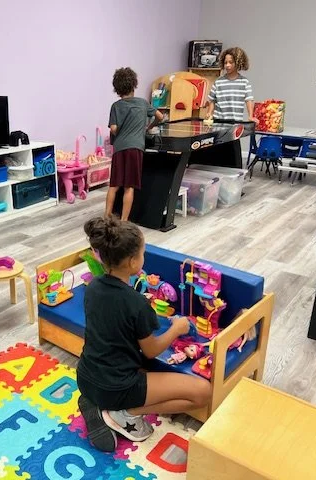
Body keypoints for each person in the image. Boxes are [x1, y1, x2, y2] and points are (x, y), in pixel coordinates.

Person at [76, 216, 212, 452]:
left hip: (86, 377)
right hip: (116, 387)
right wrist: (177, 328)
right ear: (132, 262)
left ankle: (101, 404)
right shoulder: (136, 303)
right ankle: (124, 413)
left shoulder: (93, 287)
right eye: (142, 254)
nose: (144, 258)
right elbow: (151, 351)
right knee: (203, 393)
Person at [106, 67, 164, 222]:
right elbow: (160, 116)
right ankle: (124, 221)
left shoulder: (116, 106)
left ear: (117, 89)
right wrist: (149, 127)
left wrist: (120, 130)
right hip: (136, 148)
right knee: (129, 186)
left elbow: (113, 128)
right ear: (134, 85)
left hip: (119, 149)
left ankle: (106, 216)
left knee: (114, 185)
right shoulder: (143, 103)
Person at [205, 47, 256, 123]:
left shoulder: (244, 82)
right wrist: (209, 113)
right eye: (225, 63)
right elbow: (212, 100)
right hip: (218, 123)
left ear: (238, 63)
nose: (227, 65)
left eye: (231, 62)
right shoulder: (218, 82)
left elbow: (249, 100)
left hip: (236, 123)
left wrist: (250, 116)